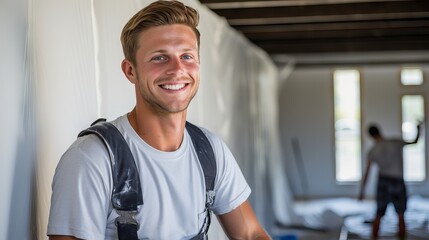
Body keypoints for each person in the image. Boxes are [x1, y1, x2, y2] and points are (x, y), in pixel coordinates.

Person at [47, 1, 271, 239]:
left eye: (187, 56)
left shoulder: (209, 150)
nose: (177, 69)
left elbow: (250, 233)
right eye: (159, 58)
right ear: (130, 71)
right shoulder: (92, 159)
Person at [359, 123, 421, 239]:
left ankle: (374, 237)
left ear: (371, 136)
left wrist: (362, 191)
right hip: (397, 181)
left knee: (378, 214)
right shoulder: (395, 142)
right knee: (401, 215)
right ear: (379, 131)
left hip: (383, 181)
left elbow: (367, 172)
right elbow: (415, 141)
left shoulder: (373, 150)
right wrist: (418, 129)